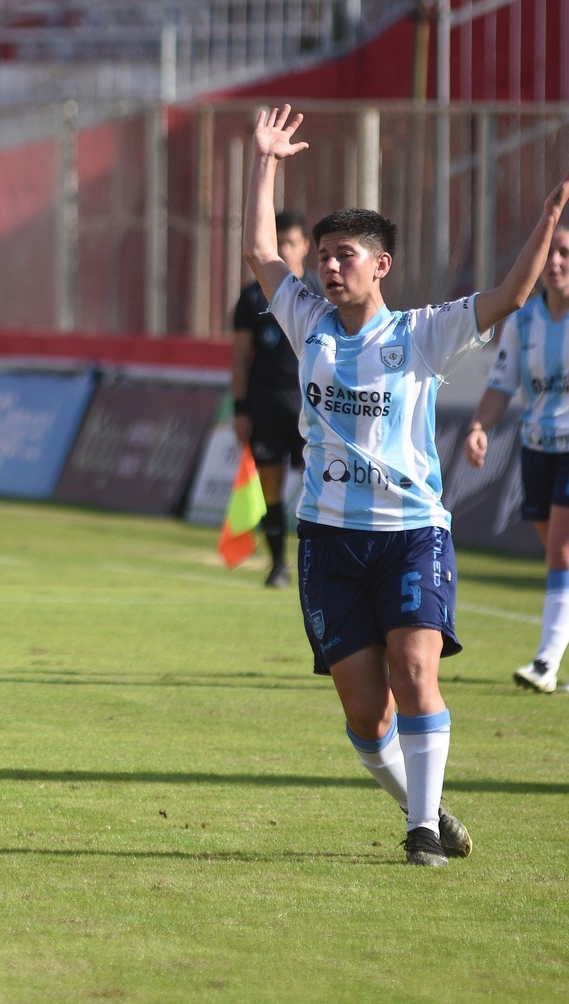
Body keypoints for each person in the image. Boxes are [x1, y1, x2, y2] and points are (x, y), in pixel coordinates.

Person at [244, 103, 569, 866]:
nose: (327, 266)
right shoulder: (303, 319)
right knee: (364, 712)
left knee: (414, 670)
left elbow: (509, 297)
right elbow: (260, 248)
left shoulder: (421, 332)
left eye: (344, 254)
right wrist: (264, 162)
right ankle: (423, 807)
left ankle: (419, 829)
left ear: (379, 264)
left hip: (411, 534)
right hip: (327, 540)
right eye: (321, 255)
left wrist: (548, 221)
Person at [464, 222, 569, 695]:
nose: (555, 262)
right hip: (535, 445)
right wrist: (479, 426)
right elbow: (502, 383)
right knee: (558, 552)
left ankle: (545, 662)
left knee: (560, 550)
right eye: (549, 253)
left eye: (564, 252)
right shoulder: (522, 320)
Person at [231, 209, 320, 587]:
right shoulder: (252, 298)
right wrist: (239, 407)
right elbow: (238, 356)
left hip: (311, 407)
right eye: (278, 242)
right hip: (265, 405)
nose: (284, 249)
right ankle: (278, 565)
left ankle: (314, 566)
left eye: (290, 242)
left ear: (304, 247)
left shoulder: (319, 291)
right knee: (270, 487)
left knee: (318, 488)